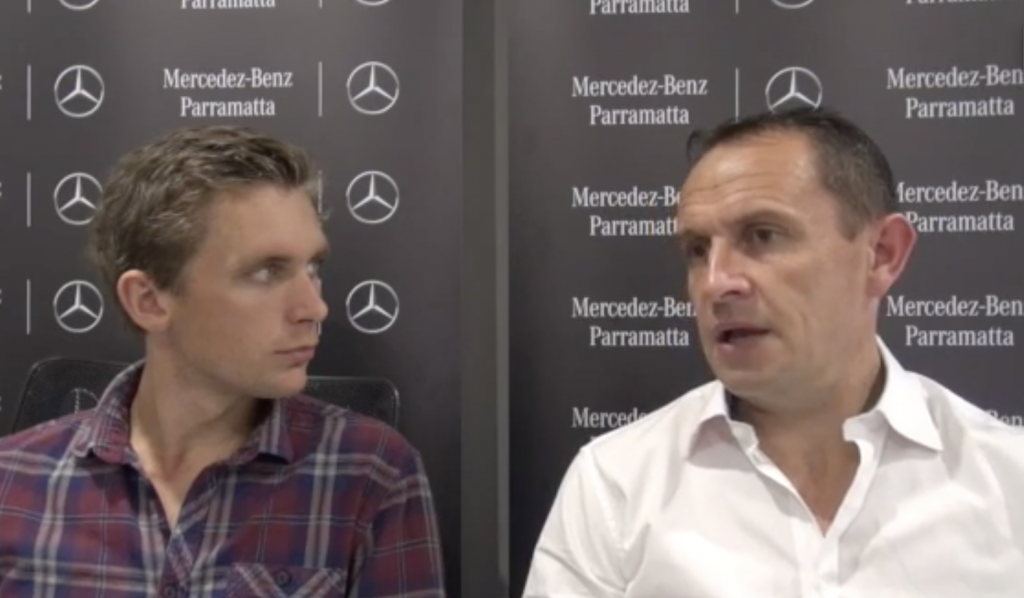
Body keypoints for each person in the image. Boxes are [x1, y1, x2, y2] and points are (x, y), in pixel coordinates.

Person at [521, 107, 1024, 597]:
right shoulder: (616, 485)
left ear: (882, 254)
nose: (716, 282)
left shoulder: (1008, 481)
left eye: (763, 236)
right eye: (697, 249)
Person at [0, 125, 447, 597]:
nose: (314, 308)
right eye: (266, 271)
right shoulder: (13, 482)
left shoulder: (370, 475)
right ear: (149, 301)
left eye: (314, 267)